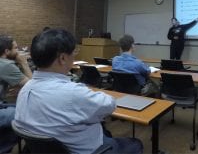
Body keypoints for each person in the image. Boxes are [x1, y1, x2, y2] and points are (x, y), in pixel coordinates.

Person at [14, 29, 143, 154]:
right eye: (74, 52)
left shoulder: (25, 89)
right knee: (135, 144)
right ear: (63, 58)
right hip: (91, 149)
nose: (74, 56)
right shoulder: (74, 93)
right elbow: (109, 105)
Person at [0, 35, 32, 153]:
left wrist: (22, 88)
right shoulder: (6, 65)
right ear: (7, 51)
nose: (18, 51)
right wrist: (24, 63)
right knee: (29, 114)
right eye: (16, 48)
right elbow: (33, 86)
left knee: (16, 110)